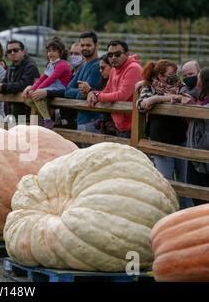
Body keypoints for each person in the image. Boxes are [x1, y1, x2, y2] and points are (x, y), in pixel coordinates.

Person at [136, 60, 193, 209]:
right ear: (161, 76)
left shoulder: (180, 86)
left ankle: (187, 211)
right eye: (170, 74)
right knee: (165, 179)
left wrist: (157, 99)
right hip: (160, 140)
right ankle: (166, 211)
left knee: (184, 180)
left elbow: (187, 98)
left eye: (175, 74)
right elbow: (142, 104)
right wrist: (162, 98)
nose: (174, 77)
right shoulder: (149, 87)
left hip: (180, 138)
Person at [87, 40, 143, 138]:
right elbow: (108, 90)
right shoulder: (113, 69)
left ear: (127, 54)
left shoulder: (134, 68)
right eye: (110, 55)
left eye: (117, 54)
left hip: (133, 126)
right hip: (120, 125)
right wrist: (92, 92)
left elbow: (122, 95)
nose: (113, 58)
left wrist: (97, 96)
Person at [22, 38, 72, 129]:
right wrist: (33, 88)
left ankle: (47, 119)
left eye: (54, 51)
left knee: (36, 96)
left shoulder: (62, 64)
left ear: (60, 53)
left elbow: (51, 79)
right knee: (28, 100)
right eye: (49, 51)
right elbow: (42, 78)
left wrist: (37, 90)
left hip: (60, 88)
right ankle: (48, 117)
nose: (50, 53)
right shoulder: (50, 64)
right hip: (51, 88)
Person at [64, 31, 104, 133]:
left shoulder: (98, 67)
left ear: (96, 45)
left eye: (88, 45)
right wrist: (79, 92)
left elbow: (84, 95)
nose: (85, 48)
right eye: (82, 45)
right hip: (81, 120)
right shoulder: (83, 66)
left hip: (93, 121)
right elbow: (67, 90)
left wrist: (81, 93)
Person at [0, 40, 40, 119]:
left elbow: (24, 85)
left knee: (23, 131)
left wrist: (2, 86)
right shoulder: (11, 67)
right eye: (9, 51)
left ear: (23, 52)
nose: (12, 53)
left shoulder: (31, 66)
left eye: (15, 50)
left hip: (28, 111)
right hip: (14, 110)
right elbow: (5, 82)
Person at [184, 68, 209, 189]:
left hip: (203, 158)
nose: (195, 79)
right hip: (194, 156)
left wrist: (199, 152)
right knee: (193, 187)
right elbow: (184, 93)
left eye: (198, 76)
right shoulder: (201, 96)